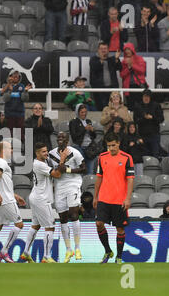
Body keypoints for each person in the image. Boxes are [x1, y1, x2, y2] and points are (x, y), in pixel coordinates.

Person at [93, 132, 135, 264]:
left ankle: (119, 257)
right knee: (99, 224)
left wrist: (127, 199)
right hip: (104, 198)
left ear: (118, 144)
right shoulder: (102, 157)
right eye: (109, 146)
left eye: (113, 145)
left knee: (120, 229)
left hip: (119, 200)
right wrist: (95, 197)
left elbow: (130, 180)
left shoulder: (127, 158)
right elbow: (99, 177)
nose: (111, 148)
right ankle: (107, 251)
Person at [20, 142, 63, 264]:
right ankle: (46, 256)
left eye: (46, 150)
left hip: (36, 196)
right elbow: (57, 174)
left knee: (36, 225)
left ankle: (26, 252)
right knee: (50, 227)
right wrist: (62, 160)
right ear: (37, 153)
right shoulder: (40, 164)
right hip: (42, 199)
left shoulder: (42, 162)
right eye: (43, 151)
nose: (46, 153)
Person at [48, 132, 86, 263]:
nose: (60, 139)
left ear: (67, 140)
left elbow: (84, 168)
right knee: (63, 218)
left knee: (74, 214)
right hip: (59, 187)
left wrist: (68, 170)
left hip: (73, 184)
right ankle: (68, 249)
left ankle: (77, 248)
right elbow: (50, 171)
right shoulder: (51, 154)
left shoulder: (75, 152)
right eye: (58, 137)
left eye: (62, 137)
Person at [0, 141, 26, 263]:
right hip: (5, 199)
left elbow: (4, 183)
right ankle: (4, 250)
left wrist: (15, 196)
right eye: (10, 148)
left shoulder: (0, 162)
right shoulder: (1, 162)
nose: (11, 151)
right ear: (4, 149)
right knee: (19, 224)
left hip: (2, 197)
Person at [89, 42, 122, 111]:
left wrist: (116, 58)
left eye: (105, 48)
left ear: (108, 50)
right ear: (98, 50)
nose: (103, 50)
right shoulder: (93, 59)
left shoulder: (111, 59)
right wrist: (101, 59)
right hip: (99, 90)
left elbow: (119, 67)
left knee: (113, 109)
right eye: (101, 49)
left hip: (111, 89)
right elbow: (94, 67)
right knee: (101, 109)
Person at [133, 89, 164, 158]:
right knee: (144, 156)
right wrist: (143, 118)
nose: (146, 98)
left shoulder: (156, 106)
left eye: (148, 96)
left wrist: (152, 118)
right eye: (144, 96)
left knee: (155, 155)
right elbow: (135, 120)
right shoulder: (138, 106)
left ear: (150, 97)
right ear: (142, 97)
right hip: (142, 135)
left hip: (154, 135)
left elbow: (161, 119)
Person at [1, 70, 31, 140]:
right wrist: (10, 90)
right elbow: (5, 99)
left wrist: (25, 91)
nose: (15, 77)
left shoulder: (22, 86)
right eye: (14, 75)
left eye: (17, 76)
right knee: (9, 134)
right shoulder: (5, 85)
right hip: (9, 114)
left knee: (20, 134)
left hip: (20, 114)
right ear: (10, 77)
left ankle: (20, 148)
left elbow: (24, 99)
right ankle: (10, 148)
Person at [69, 103, 98, 175]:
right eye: (82, 112)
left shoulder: (88, 121)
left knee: (90, 171)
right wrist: (84, 129)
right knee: (81, 169)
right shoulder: (73, 122)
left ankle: (88, 184)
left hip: (90, 148)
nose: (84, 114)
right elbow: (74, 137)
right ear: (78, 112)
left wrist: (92, 131)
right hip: (79, 147)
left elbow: (94, 136)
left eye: (85, 112)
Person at [120, 43, 147, 110]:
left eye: (128, 49)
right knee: (130, 106)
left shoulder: (139, 59)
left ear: (132, 50)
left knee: (141, 106)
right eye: (125, 49)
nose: (127, 51)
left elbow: (142, 70)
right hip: (128, 87)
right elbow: (122, 75)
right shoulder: (123, 61)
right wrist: (128, 68)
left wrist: (132, 65)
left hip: (138, 85)